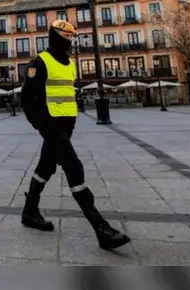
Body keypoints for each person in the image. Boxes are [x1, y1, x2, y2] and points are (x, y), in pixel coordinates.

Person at [20, 19, 131, 250]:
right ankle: (101, 228)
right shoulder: (40, 61)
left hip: (67, 125)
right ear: (54, 35)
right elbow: (27, 98)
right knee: (74, 168)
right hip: (51, 126)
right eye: (65, 34)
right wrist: (40, 124)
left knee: (45, 167)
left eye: (72, 35)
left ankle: (29, 212)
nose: (69, 39)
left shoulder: (70, 63)